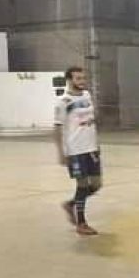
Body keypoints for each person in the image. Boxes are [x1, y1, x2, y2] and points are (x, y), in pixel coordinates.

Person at [54, 66, 101, 236]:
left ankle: (71, 204)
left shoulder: (87, 96)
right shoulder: (63, 102)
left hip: (92, 148)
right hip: (75, 150)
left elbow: (91, 121)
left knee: (96, 184)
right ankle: (81, 223)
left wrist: (97, 143)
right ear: (69, 80)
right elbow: (57, 128)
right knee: (82, 185)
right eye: (78, 78)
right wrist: (61, 152)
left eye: (83, 78)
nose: (82, 81)